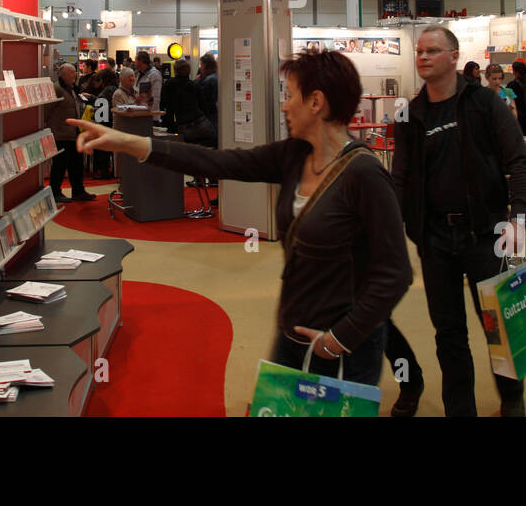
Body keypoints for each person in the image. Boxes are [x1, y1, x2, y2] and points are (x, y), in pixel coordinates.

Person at [67, 51, 413, 385]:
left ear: (316, 102)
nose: (284, 105)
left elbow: (395, 274)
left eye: (289, 95)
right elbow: (218, 163)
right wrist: (128, 142)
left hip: (340, 348)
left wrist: (339, 338)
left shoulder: (364, 174)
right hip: (293, 330)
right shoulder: (295, 155)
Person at [393, 26, 526, 417]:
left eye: (432, 51)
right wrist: (405, 228)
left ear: (454, 57)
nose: (422, 57)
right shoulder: (409, 114)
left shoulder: (485, 103)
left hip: (486, 234)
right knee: (449, 335)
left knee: (499, 328)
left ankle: (512, 400)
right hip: (435, 241)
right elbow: (401, 179)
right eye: (419, 51)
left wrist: (518, 217)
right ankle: (460, 410)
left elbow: (519, 161)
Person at [46, 63, 94, 203]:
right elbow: (47, 110)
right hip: (61, 133)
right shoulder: (57, 88)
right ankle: (55, 192)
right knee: (60, 164)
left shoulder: (71, 88)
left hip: (73, 132)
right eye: (72, 72)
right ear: (63, 74)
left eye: (75, 72)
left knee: (76, 164)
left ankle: (78, 190)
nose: (75, 74)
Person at [197, 54, 220, 193]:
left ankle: (211, 179)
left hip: (209, 120)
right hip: (216, 119)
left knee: (207, 151)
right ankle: (214, 180)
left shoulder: (207, 82)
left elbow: (204, 103)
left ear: (204, 66)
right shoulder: (217, 78)